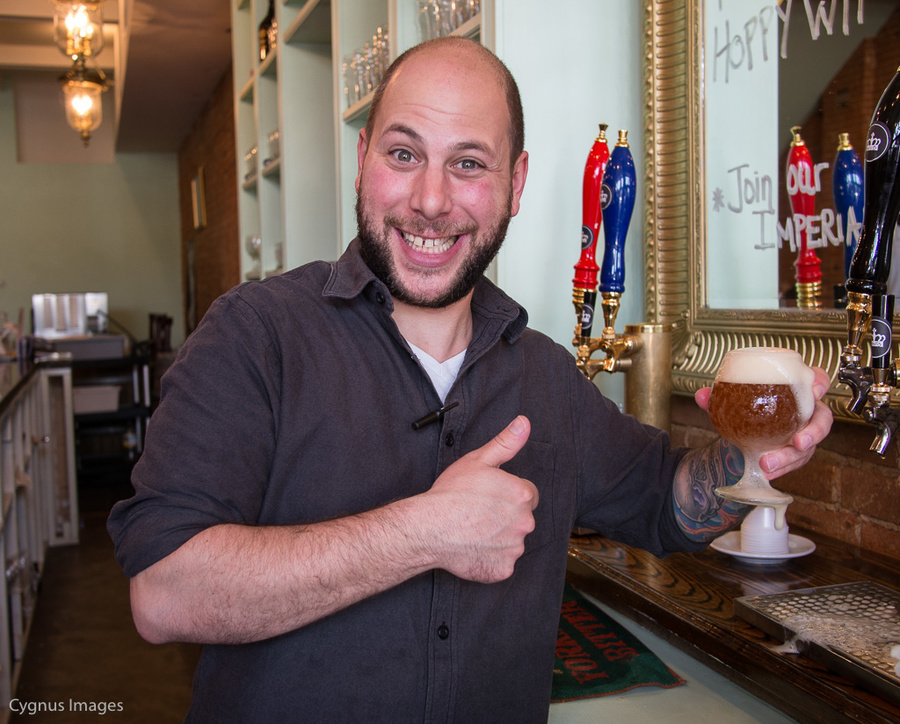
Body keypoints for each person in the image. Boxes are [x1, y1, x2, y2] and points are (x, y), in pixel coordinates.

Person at [108, 36, 832, 722]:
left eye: (468, 163)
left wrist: (746, 461)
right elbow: (164, 592)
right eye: (403, 153)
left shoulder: (547, 375)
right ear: (363, 160)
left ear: (515, 182)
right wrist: (420, 533)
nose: (430, 200)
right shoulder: (255, 336)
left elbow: (666, 502)